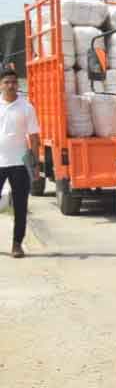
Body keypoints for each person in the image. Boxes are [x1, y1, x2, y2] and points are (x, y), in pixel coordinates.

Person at [1, 68, 39, 258]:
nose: (10, 86)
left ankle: (17, 244)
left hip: (19, 163)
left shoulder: (26, 107)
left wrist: (35, 165)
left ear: (18, 85)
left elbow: (33, 137)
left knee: (20, 206)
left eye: (13, 82)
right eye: (6, 82)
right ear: (1, 85)